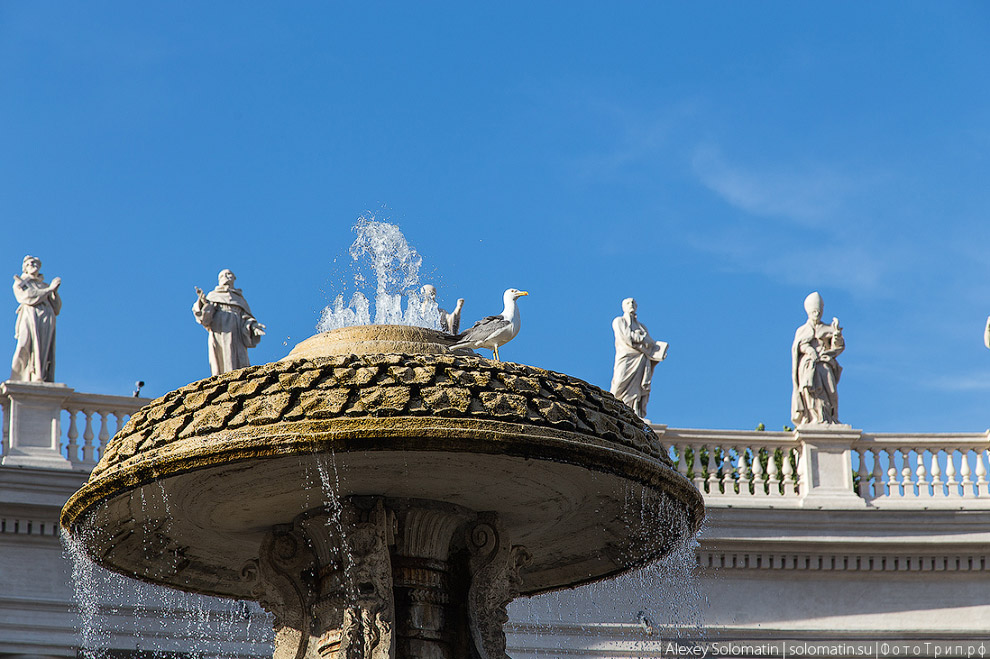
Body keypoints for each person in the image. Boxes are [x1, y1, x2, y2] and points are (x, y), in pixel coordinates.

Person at [192, 269, 266, 376]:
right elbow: (205, 319)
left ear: (234, 278)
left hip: (237, 333)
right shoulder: (213, 296)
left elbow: (246, 318)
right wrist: (204, 303)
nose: (227, 276)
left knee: (238, 356)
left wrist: (253, 326)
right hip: (220, 331)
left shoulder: (239, 299)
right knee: (222, 357)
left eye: (229, 274)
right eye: (223, 275)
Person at [791, 291, 844, 426]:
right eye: (814, 311)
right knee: (810, 391)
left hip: (825, 364)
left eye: (818, 311)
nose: (816, 314)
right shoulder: (802, 330)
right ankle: (814, 417)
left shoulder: (828, 328)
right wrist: (809, 350)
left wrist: (837, 334)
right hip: (809, 365)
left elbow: (838, 346)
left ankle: (829, 417)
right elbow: (799, 345)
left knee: (831, 391)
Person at [610, 298, 667, 419]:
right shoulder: (619, 321)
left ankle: (634, 412)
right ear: (623, 307)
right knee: (620, 381)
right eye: (628, 303)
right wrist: (644, 339)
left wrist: (658, 353)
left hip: (641, 358)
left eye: (633, 303)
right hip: (627, 356)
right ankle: (612, 407)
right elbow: (627, 337)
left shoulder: (642, 327)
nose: (631, 304)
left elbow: (651, 343)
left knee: (637, 387)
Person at [10, 255, 61, 382]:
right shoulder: (20, 282)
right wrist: (49, 290)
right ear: (25, 267)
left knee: (43, 347)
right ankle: (18, 377)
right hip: (29, 316)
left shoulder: (44, 285)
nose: (33, 265)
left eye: (36, 264)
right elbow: (27, 297)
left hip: (46, 317)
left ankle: (40, 374)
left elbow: (56, 308)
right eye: (30, 264)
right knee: (24, 343)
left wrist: (54, 292)